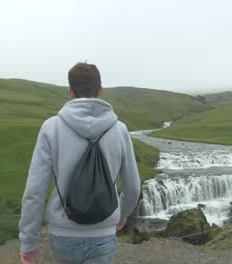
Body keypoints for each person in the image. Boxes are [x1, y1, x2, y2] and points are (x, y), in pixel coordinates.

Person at [18, 63, 141, 264]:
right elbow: (133, 187)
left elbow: (34, 193)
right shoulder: (120, 130)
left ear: (70, 91)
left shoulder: (51, 128)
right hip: (103, 233)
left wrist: (29, 242)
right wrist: (121, 215)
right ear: (100, 90)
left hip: (63, 234)